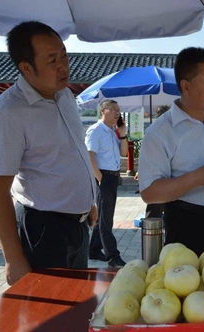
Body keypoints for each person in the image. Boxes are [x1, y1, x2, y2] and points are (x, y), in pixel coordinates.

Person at [0, 21, 98, 285]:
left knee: (78, 306)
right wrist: (13, 259)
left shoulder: (64, 96)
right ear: (26, 68)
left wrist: (87, 201)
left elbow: (72, 153)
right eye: (52, 60)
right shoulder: (8, 114)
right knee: (47, 315)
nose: (63, 66)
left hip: (78, 226)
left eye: (64, 55)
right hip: (44, 231)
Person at [138, 47, 204, 257]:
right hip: (189, 226)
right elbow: (149, 193)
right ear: (185, 86)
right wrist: (199, 177)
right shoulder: (161, 132)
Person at [85, 100, 128, 267]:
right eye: (114, 109)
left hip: (112, 177)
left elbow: (123, 152)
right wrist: (100, 178)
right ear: (103, 111)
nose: (118, 113)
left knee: (104, 215)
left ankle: (94, 250)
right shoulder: (96, 130)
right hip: (103, 177)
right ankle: (113, 256)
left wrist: (122, 133)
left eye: (119, 110)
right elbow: (90, 156)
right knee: (106, 219)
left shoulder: (111, 132)